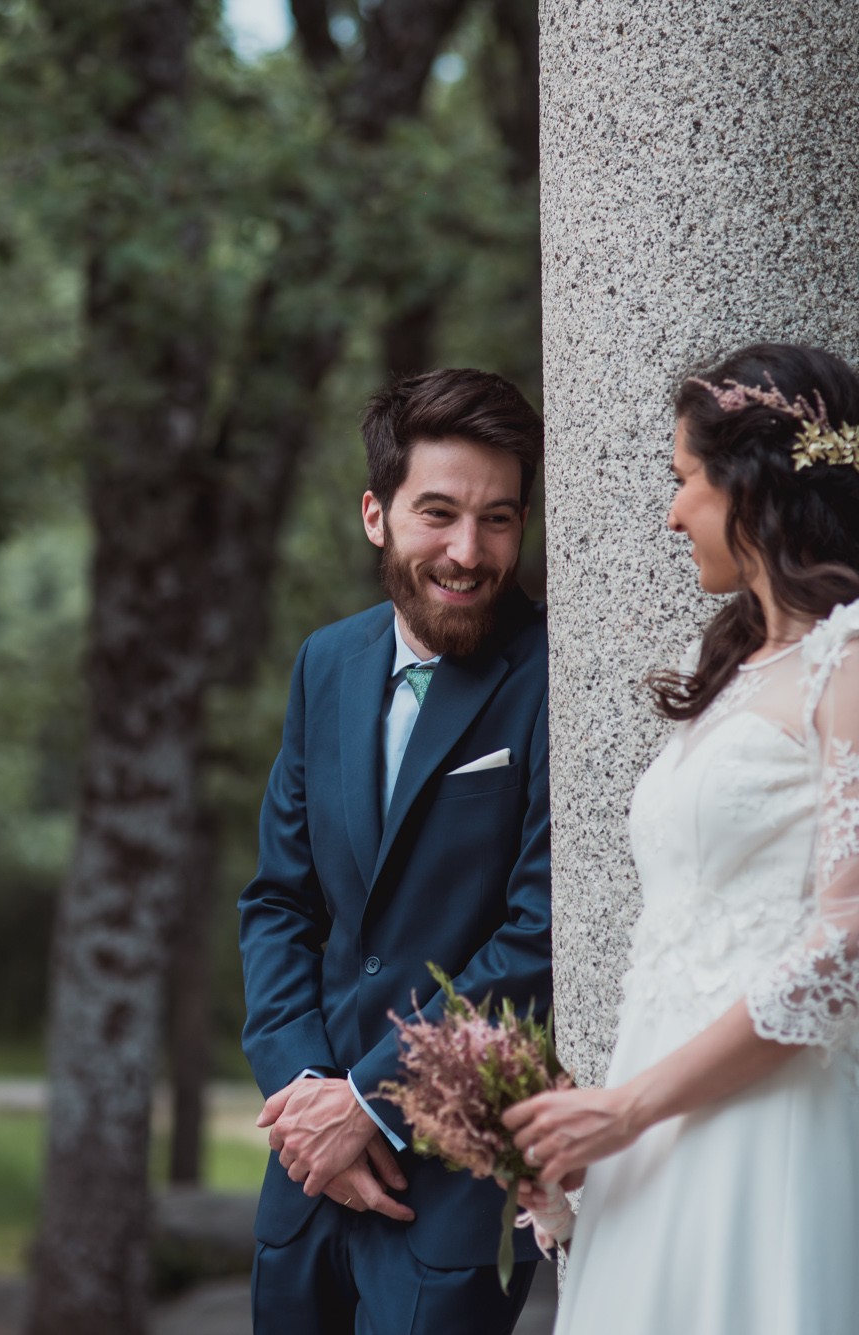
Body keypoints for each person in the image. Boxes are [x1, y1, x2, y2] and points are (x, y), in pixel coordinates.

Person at [504, 343, 859, 1334]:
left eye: (681, 482)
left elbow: (853, 945)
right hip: (654, 1128)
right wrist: (596, 1135)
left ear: (747, 484)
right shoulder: (734, 673)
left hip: (767, 1122)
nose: (669, 514)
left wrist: (630, 1107)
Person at [240, 367, 553, 1333]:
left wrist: (372, 1106)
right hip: (305, 1175)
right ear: (376, 514)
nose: (469, 551)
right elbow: (281, 905)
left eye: (499, 518)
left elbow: (541, 938)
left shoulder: (553, 676)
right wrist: (305, 1093)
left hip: (451, 1183)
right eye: (439, 512)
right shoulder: (325, 662)